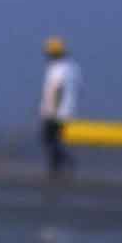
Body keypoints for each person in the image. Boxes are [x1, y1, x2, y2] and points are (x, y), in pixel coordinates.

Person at [39, 36, 82, 178]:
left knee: (48, 139)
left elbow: (57, 89)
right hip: (67, 110)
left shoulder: (57, 69)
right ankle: (56, 166)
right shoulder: (73, 67)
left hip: (55, 111)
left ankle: (62, 164)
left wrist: (51, 110)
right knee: (54, 140)